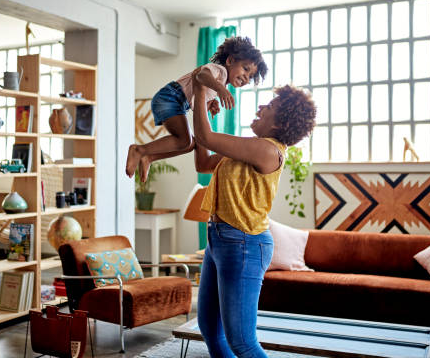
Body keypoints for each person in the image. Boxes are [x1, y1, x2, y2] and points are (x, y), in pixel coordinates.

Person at [192, 80, 316, 358]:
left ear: (278, 124)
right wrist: (205, 112)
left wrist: (201, 90)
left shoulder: (269, 149)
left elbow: (207, 137)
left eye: (270, 106)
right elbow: (203, 162)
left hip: (244, 244)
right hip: (219, 239)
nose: (261, 106)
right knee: (211, 329)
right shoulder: (248, 147)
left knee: (242, 341)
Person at [125, 36, 267, 182]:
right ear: (230, 61)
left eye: (250, 76)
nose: (246, 77)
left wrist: (211, 102)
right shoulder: (220, 71)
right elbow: (201, 75)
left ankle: (150, 156)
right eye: (245, 69)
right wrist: (219, 88)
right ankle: (139, 150)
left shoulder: (221, 82)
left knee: (189, 144)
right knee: (184, 141)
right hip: (170, 98)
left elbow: (200, 93)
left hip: (175, 102)